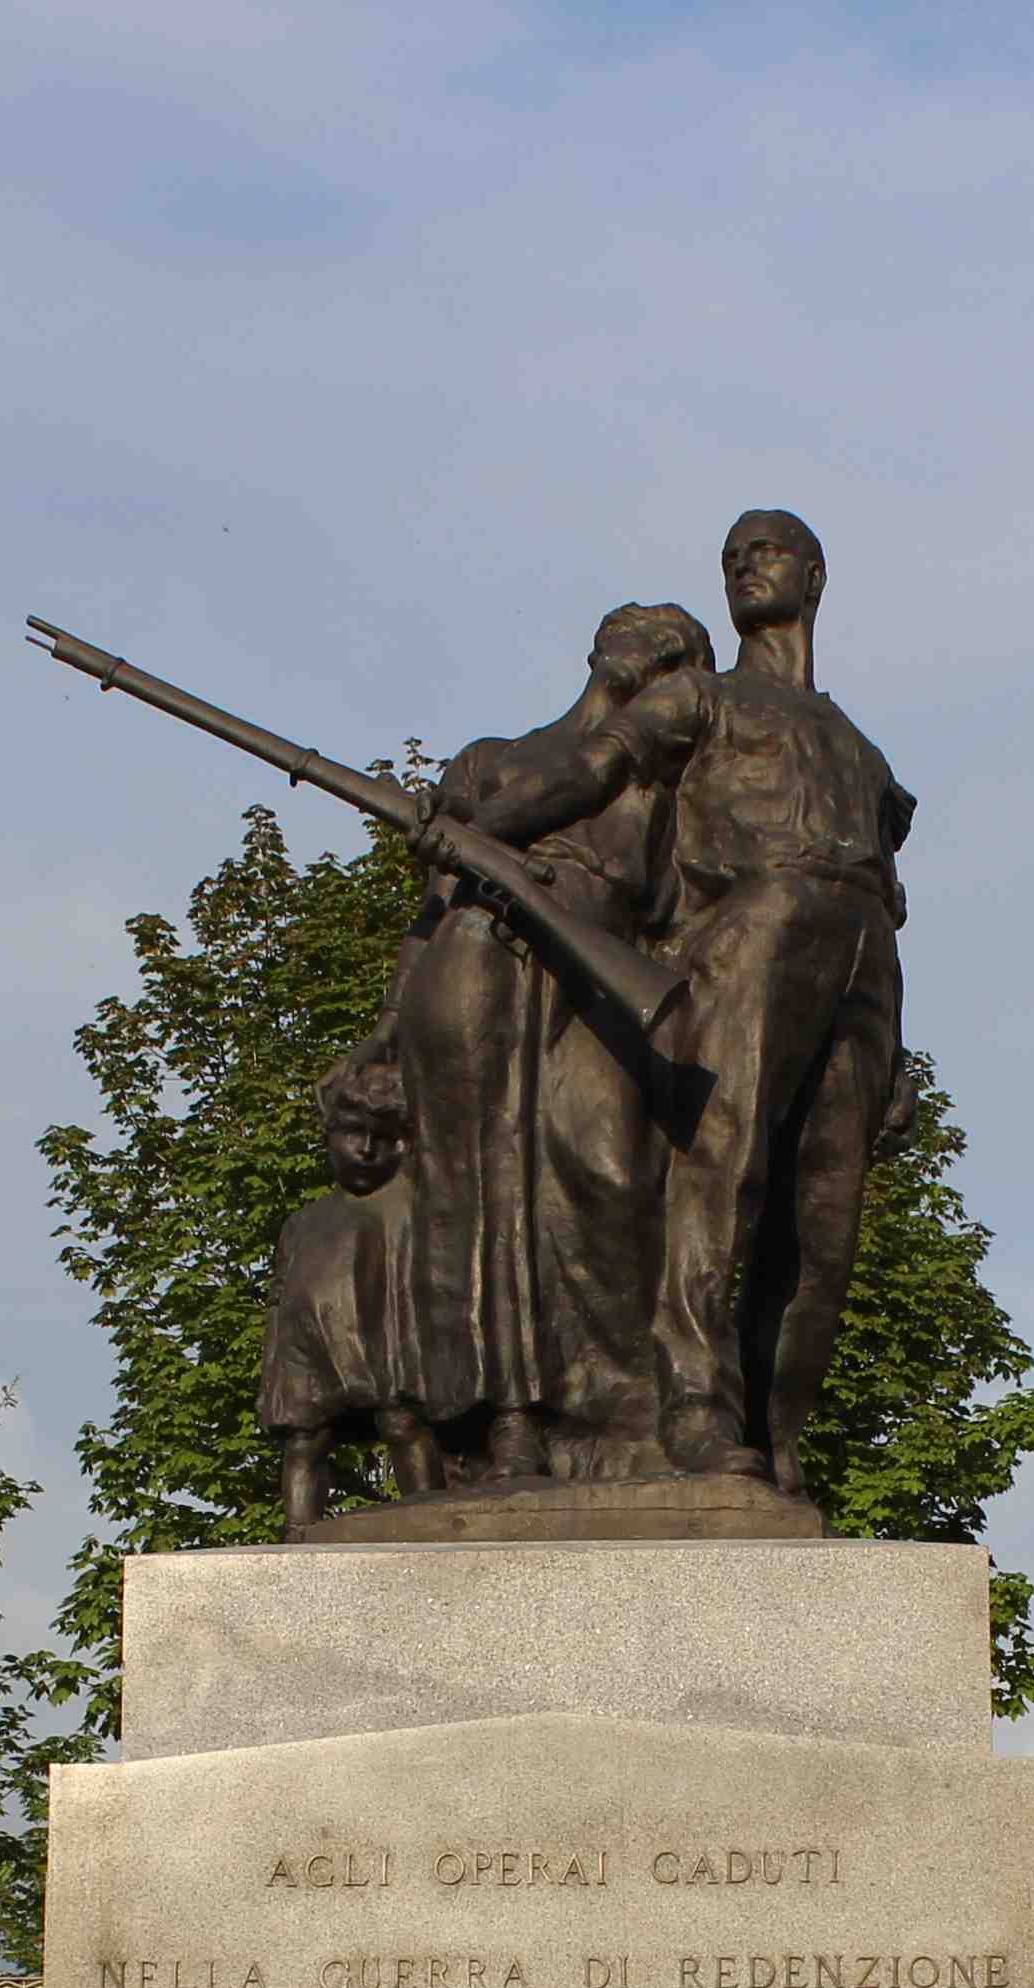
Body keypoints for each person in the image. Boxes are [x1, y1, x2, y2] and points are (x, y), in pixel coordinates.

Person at [426, 512, 908, 1488]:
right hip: (754, 924)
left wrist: (899, 1058)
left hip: (864, 953)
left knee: (826, 1224)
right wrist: (486, 823)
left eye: (764, 550)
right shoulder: (699, 698)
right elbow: (593, 766)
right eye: (731, 555)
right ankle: (692, 1407)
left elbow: (891, 890)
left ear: (814, 576)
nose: (742, 565)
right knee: (722, 1166)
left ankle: (777, 1441)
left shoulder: (862, 753)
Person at [407, 601, 712, 1482]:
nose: (656, 651)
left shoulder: (662, 783)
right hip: (477, 961)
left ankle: (634, 1412)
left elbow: (686, 906)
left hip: (601, 974)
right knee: (481, 1185)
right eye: (648, 636)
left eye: (675, 650)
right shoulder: (488, 761)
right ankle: (498, 1422)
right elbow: (430, 916)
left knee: (613, 1174)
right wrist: (388, 1034)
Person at [258, 1034, 432, 1533]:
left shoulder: (406, 1208)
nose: (367, 1148)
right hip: (309, 1349)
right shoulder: (303, 1223)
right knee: (305, 1439)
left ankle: (431, 1525)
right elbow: (280, 1299)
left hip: (383, 1340)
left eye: (383, 1135)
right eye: (353, 1132)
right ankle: (298, 1534)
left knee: (402, 1423)